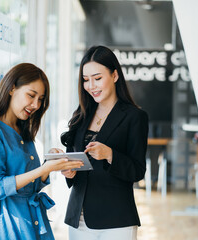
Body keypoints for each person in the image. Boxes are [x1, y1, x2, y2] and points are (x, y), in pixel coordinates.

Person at [0, 63, 83, 240]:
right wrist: (44, 170)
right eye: (31, 95)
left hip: (31, 217)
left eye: (40, 99)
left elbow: (32, 185)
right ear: (11, 88)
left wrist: (49, 165)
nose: (35, 105)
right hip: (8, 221)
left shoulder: (23, 130)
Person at [60, 46, 149, 240]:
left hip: (116, 220)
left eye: (97, 78)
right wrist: (69, 171)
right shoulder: (81, 115)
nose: (91, 85)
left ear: (115, 75)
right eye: (85, 80)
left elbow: (138, 171)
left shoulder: (135, 117)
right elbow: (73, 162)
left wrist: (110, 155)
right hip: (79, 219)